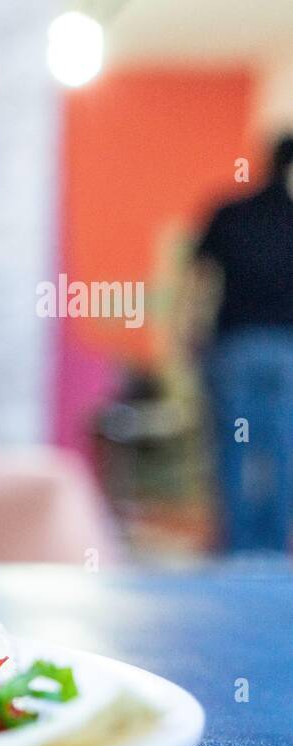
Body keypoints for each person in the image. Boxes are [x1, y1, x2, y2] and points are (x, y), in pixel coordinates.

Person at [189, 136, 293, 554]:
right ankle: (272, 552)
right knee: (283, 450)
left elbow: (197, 280)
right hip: (286, 352)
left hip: (235, 348)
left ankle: (238, 551)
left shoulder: (230, 212)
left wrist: (189, 335)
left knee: (236, 447)